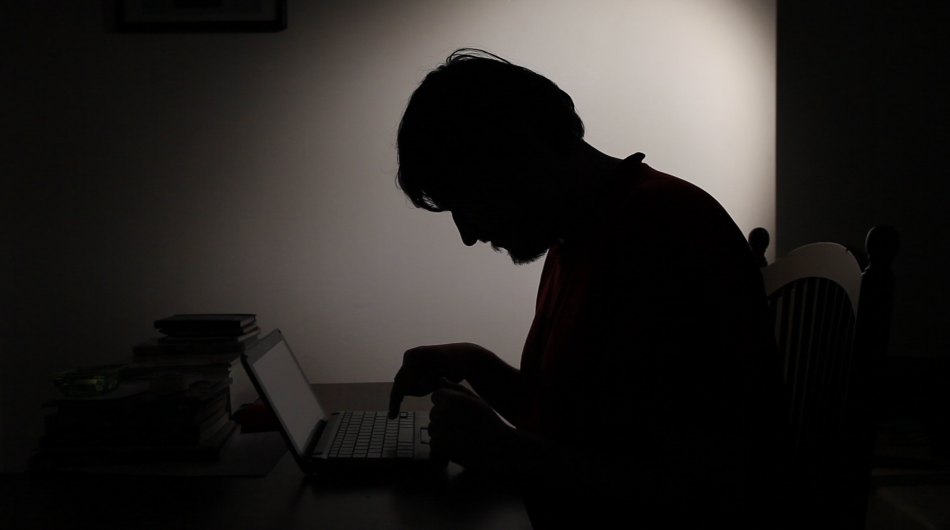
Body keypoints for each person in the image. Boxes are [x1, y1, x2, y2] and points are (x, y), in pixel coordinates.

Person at [388, 49, 794, 529]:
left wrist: (506, 450)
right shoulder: (585, 232)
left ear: (518, 152)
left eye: (466, 201)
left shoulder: (662, 234)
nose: (468, 233)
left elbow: (703, 481)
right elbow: (581, 423)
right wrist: (476, 364)